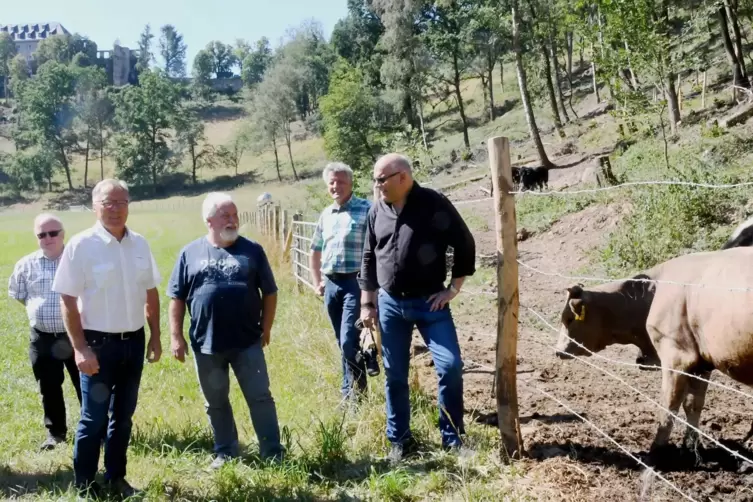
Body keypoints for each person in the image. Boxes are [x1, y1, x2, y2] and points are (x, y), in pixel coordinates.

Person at [358, 153, 476, 463]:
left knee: (450, 366)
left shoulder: (433, 203)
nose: (377, 185)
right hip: (389, 304)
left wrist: (453, 288)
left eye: (381, 179)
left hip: (430, 303)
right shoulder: (376, 211)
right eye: (376, 179)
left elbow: (464, 241)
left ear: (402, 177)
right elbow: (368, 257)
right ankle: (399, 441)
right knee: (394, 374)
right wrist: (367, 304)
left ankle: (452, 439)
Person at [52, 178, 162, 499]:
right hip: (98, 344)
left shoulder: (140, 243)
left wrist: (155, 337)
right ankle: (85, 485)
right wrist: (80, 348)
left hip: (133, 342)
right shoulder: (81, 245)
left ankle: (116, 477)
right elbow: (68, 300)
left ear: (129, 206)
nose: (115, 209)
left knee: (123, 417)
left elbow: (151, 291)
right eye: (107, 203)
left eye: (121, 202)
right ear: (95, 206)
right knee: (93, 419)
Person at [167, 192, 284, 470]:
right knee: (216, 402)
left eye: (235, 215)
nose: (232, 220)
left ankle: (272, 452)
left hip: (247, 342)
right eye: (225, 216)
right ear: (209, 221)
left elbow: (270, 292)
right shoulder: (190, 252)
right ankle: (226, 452)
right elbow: (176, 298)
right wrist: (176, 336)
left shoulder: (252, 250)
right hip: (206, 343)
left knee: (260, 397)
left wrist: (266, 328)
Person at [8, 213, 82, 451]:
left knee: (86, 384)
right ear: (36, 237)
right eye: (42, 234)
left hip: (77, 336)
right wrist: (40, 314)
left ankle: (97, 431)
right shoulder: (25, 264)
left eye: (53, 233)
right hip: (42, 338)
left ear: (63, 234)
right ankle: (56, 434)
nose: (48, 238)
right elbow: (19, 295)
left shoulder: (77, 261)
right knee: (48, 386)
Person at [309, 162, 372, 404]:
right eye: (332, 182)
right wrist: (317, 281)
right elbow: (315, 250)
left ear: (351, 183)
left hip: (356, 283)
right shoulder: (326, 214)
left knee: (349, 340)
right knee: (342, 342)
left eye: (341, 181)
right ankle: (348, 393)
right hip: (332, 285)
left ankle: (358, 396)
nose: (336, 186)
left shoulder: (367, 209)